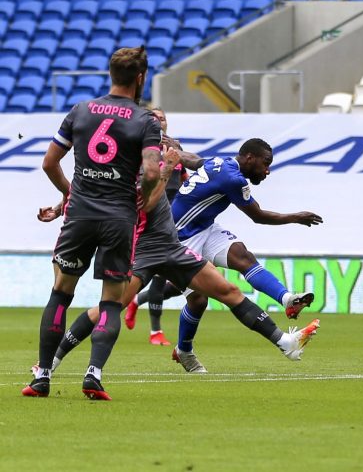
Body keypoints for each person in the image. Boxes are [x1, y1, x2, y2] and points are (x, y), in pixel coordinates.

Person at [41, 148, 320, 395]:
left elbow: (194, 159)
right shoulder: (133, 170)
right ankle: (53, 361)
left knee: (227, 290)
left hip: (176, 243)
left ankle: (285, 340)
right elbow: (133, 199)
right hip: (154, 245)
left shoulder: (179, 158)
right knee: (109, 307)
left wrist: (173, 153)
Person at [23, 46, 164, 400]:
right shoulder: (145, 120)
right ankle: (93, 374)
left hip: (80, 215)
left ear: (111, 74)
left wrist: (70, 194)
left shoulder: (81, 111)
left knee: (61, 291)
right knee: (111, 301)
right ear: (141, 78)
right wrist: (144, 193)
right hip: (119, 218)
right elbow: (150, 170)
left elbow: (49, 163)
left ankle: (42, 376)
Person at [168, 138, 323, 372]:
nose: (267, 170)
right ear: (250, 158)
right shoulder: (233, 179)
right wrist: (295, 217)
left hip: (204, 227)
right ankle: (184, 350)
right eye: (266, 163)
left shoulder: (220, 162)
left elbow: (195, 161)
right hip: (179, 237)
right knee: (198, 300)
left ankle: (287, 299)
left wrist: (178, 153)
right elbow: (258, 216)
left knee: (243, 257)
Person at [124, 107, 188, 346]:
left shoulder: (175, 149)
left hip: (175, 217)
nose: (160, 121)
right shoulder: (142, 149)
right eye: (155, 117)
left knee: (181, 282)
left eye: (163, 118)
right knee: (160, 274)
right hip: (151, 218)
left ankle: (137, 300)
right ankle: (155, 331)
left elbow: (184, 180)